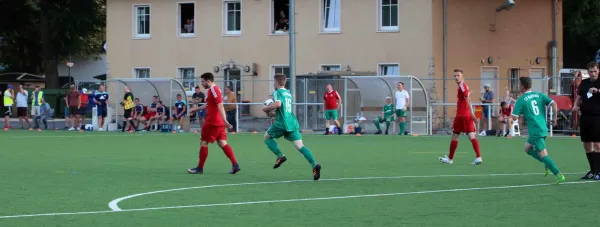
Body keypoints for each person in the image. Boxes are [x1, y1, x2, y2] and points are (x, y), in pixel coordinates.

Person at [262, 73, 321, 180]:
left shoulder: (277, 92)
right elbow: (284, 110)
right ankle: (314, 165)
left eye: (273, 82)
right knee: (300, 146)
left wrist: (266, 109)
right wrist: (273, 114)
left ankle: (280, 156)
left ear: (276, 82)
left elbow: (278, 104)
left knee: (266, 137)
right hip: (292, 122)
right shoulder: (288, 93)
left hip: (282, 123)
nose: (273, 84)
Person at [511, 77, 565, 184]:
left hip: (536, 131)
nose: (518, 86)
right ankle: (547, 164)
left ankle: (559, 175)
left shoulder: (521, 100)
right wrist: (554, 118)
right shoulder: (539, 95)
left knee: (542, 154)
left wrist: (519, 111)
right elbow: (554, 103)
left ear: (522, 86)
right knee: (527, 148)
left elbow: (514, 117)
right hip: (542, 128)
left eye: (519, 84)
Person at [187, 72, 240, 174]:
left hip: (212, 122)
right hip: (218, 122)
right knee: (222, 143)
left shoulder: (214, 90)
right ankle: (235, 165)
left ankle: (200, 168)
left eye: (203, 82)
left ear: (208, 81)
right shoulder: (213, 90)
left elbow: (220, 106)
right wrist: (196, 109)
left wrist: (226, 121)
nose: (202, 84)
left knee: (204, 142)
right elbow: (208, 105)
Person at [439, 69, 483, 165]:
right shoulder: (462, 86)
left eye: (458, 75)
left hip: (462, 116)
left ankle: (450, 159)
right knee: (469, 135)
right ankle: (478, 157)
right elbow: (467, 99)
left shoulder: (462, 86)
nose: (456, 77)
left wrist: (472, 114)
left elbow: (468, 100)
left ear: (462, 76)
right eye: (455, 76)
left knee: (456, 136)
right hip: (464, 115)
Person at [573, 62, 600, 180]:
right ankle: (592, 171)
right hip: (585, 117)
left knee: (598, 144)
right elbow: (579, 97)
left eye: (595, 71)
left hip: (598, 117)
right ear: (588, 72)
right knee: (587, 144)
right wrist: (575, 106)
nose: (593, 73)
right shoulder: (584, 83)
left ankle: (598, 171)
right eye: (590, 71)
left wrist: (598, 91)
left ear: (598, 71)